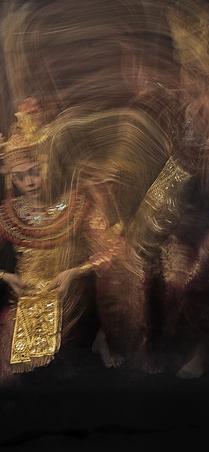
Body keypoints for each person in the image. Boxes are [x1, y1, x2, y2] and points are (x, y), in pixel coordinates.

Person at [0, 99, 146, 382]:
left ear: (47, 166)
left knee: (65, 351)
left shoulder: (76, 204)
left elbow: (112, 248)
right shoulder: (8, 215)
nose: (29, 182)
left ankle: (102, 336)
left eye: (35, 172)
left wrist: (75, 272)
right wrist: (6, 276)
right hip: (25, 297)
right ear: (11, 180)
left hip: (71, 292)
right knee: (13, 366)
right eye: (20, 177)